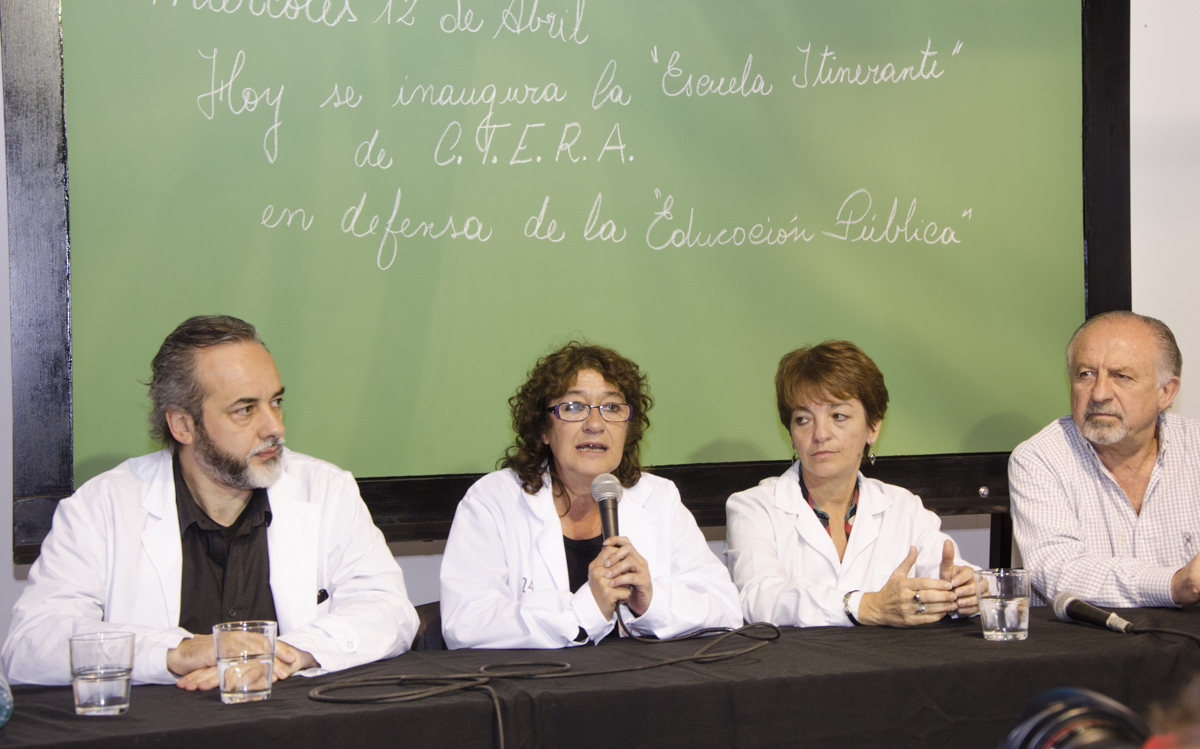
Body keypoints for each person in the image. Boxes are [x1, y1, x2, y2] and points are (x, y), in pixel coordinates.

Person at [2, 316, 418, 687]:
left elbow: (391, 612)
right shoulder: (101, 507)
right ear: (183, 425)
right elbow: (30, 646)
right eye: (244, 410)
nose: (274, 427)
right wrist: (175, 653)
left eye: (275, 402)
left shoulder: (325, 489)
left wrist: (287, 653)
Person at [440, 342, 742, 649]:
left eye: (612, 407)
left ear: (628, 428)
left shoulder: (659, 498)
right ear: (544, 429)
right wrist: (585, 610)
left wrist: (651, 602)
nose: (595, 425)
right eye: (573, 407)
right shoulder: (493, 501)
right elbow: (464, 624)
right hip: (540, 679)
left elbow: (726, 608)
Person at [724, 340, 978, 627]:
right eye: (803, 419)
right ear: (791, 434)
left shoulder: (903, 507)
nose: (820, 434)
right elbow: (758, 597)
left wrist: (963, 590)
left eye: (838, 416)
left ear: (873, 426)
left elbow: (953, 571)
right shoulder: (754, 507)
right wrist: (865, 606)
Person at [1009, 310, 1200, 608]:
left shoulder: (1195, 447)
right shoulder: (1039, 459)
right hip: (1086, 636)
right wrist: (1173, 584)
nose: (1099, 393)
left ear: (1165, 392)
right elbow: (1060, 572)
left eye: (1121, 376)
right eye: (1086, 374)